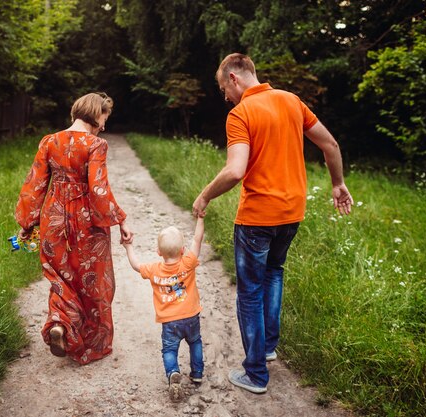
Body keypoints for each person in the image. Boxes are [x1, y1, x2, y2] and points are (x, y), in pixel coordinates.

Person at [192, 53, 353, 394]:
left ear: (234, 79)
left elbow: (236, 170)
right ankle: (266, 348)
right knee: (274, 273)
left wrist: (204, 196)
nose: (225, 97)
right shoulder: (292, 101)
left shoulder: (241, 113)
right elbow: (330, 143)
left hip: (257, 218)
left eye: (224, 89)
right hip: (292, 213)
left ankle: (255, 374)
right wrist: (338, 183)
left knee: (250, 290)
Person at [15, 92, 132, 365]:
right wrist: (121, 219)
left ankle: (59, 323)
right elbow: (99, 191)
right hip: (86, 222)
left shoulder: (49, 141)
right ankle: (91, 344)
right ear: (95, 113)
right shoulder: (96, 144)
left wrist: (27, 223)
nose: (104, 125)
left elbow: (34, 185)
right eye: (104, 117)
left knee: (61, 275)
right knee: (94, 280)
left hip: (53, 219)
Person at [122, 216, 205, 402]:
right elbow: (197, 240)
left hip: (169, 321)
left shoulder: (154, 270)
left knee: (169, 350)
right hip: (191, 315)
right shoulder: (187, 262)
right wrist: (200, 219)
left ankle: (173, 373)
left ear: (158, 252)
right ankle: (197, 372)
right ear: (183, 250)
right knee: (195, 342)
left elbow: (136, 265)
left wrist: (128, 247)